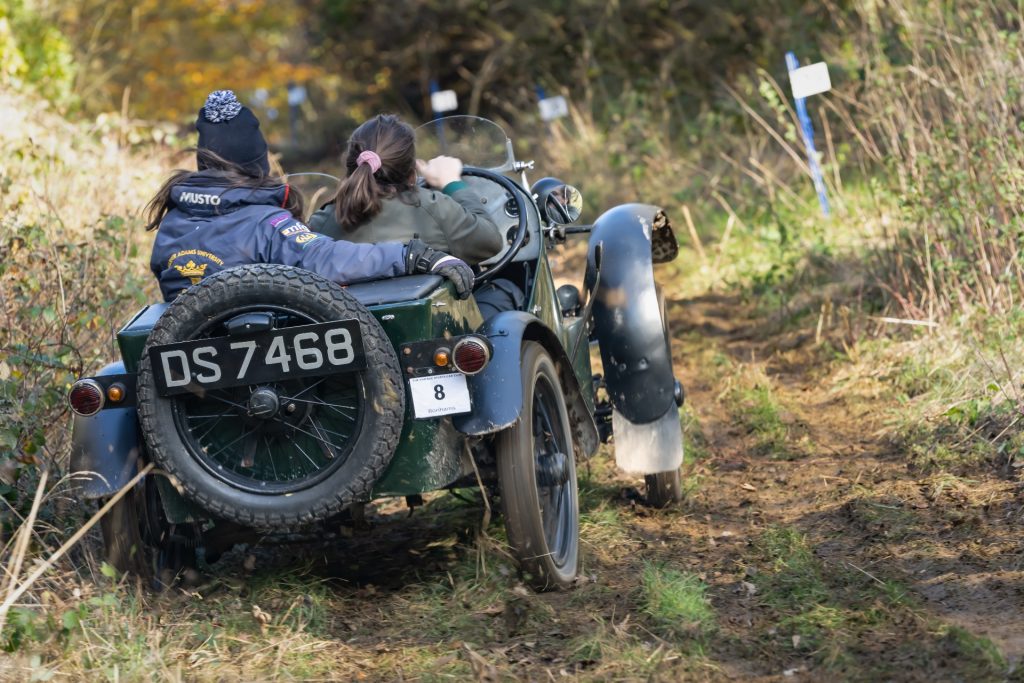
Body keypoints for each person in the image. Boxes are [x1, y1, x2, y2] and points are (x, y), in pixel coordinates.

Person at [146, 90, 473, 303]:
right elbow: (326, 259)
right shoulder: (267, 225)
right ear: (257, 164)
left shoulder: (171, 225)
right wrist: (412, 255)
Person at [309, 114, 522, 317]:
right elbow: (490, 242)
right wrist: (452, 183)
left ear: (351, 168)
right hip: (436, 329)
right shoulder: (431, 206)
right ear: (412, 172)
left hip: (356, 334)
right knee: (506, 288)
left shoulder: (323, 221)